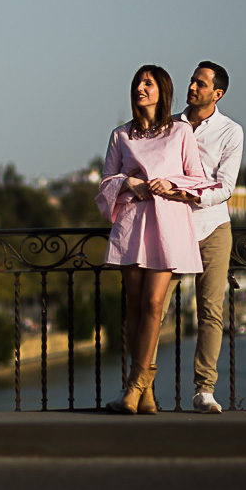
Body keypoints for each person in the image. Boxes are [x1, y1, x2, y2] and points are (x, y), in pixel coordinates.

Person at [95, 66, 218, 414]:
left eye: (147, 83)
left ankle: (135, 385)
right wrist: (127, 183)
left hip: (168, 224)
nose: (140, 88)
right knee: (134, 306)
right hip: (133, 224)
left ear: (162, 91)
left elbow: (199, 181)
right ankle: (144, 396)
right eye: (137, 83)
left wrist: (172, 185)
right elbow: (104, 184)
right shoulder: (121, 136)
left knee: (153, 304)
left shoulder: (180, 132)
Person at [173, 61, 244, 413]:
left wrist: (193, 195)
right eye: (191, 80)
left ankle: (205, 390)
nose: (192, 86)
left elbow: (226, 186)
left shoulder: (231, 131)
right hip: (173, 226)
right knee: (153, 307)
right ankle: (140, 385)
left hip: (213, 227)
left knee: (211, 312)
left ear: (217, 93)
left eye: (200, 83)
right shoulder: (171, 125)